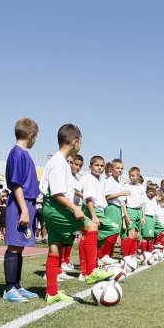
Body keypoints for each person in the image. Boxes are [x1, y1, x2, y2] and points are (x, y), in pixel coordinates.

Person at [39, 124, 109, 303]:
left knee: (55, 247)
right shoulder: (57, 162)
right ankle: (91, 271)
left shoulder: (61, 161)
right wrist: (76, 208)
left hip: (54, 206)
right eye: (81, 142)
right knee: (91, 226)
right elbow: (56, 193)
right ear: (76, 141)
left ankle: (52, 293)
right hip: (56, 206)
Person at [2, 118, 41, 303]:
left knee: (20, 246)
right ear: (31, 136)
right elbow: (16, 185)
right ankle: (9, 288)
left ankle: (17, 285)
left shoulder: (23, 154)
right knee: (14, 246)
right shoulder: (17, 154)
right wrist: (24, 210)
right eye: (36, 137)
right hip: (20, 204)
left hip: (28, 203)